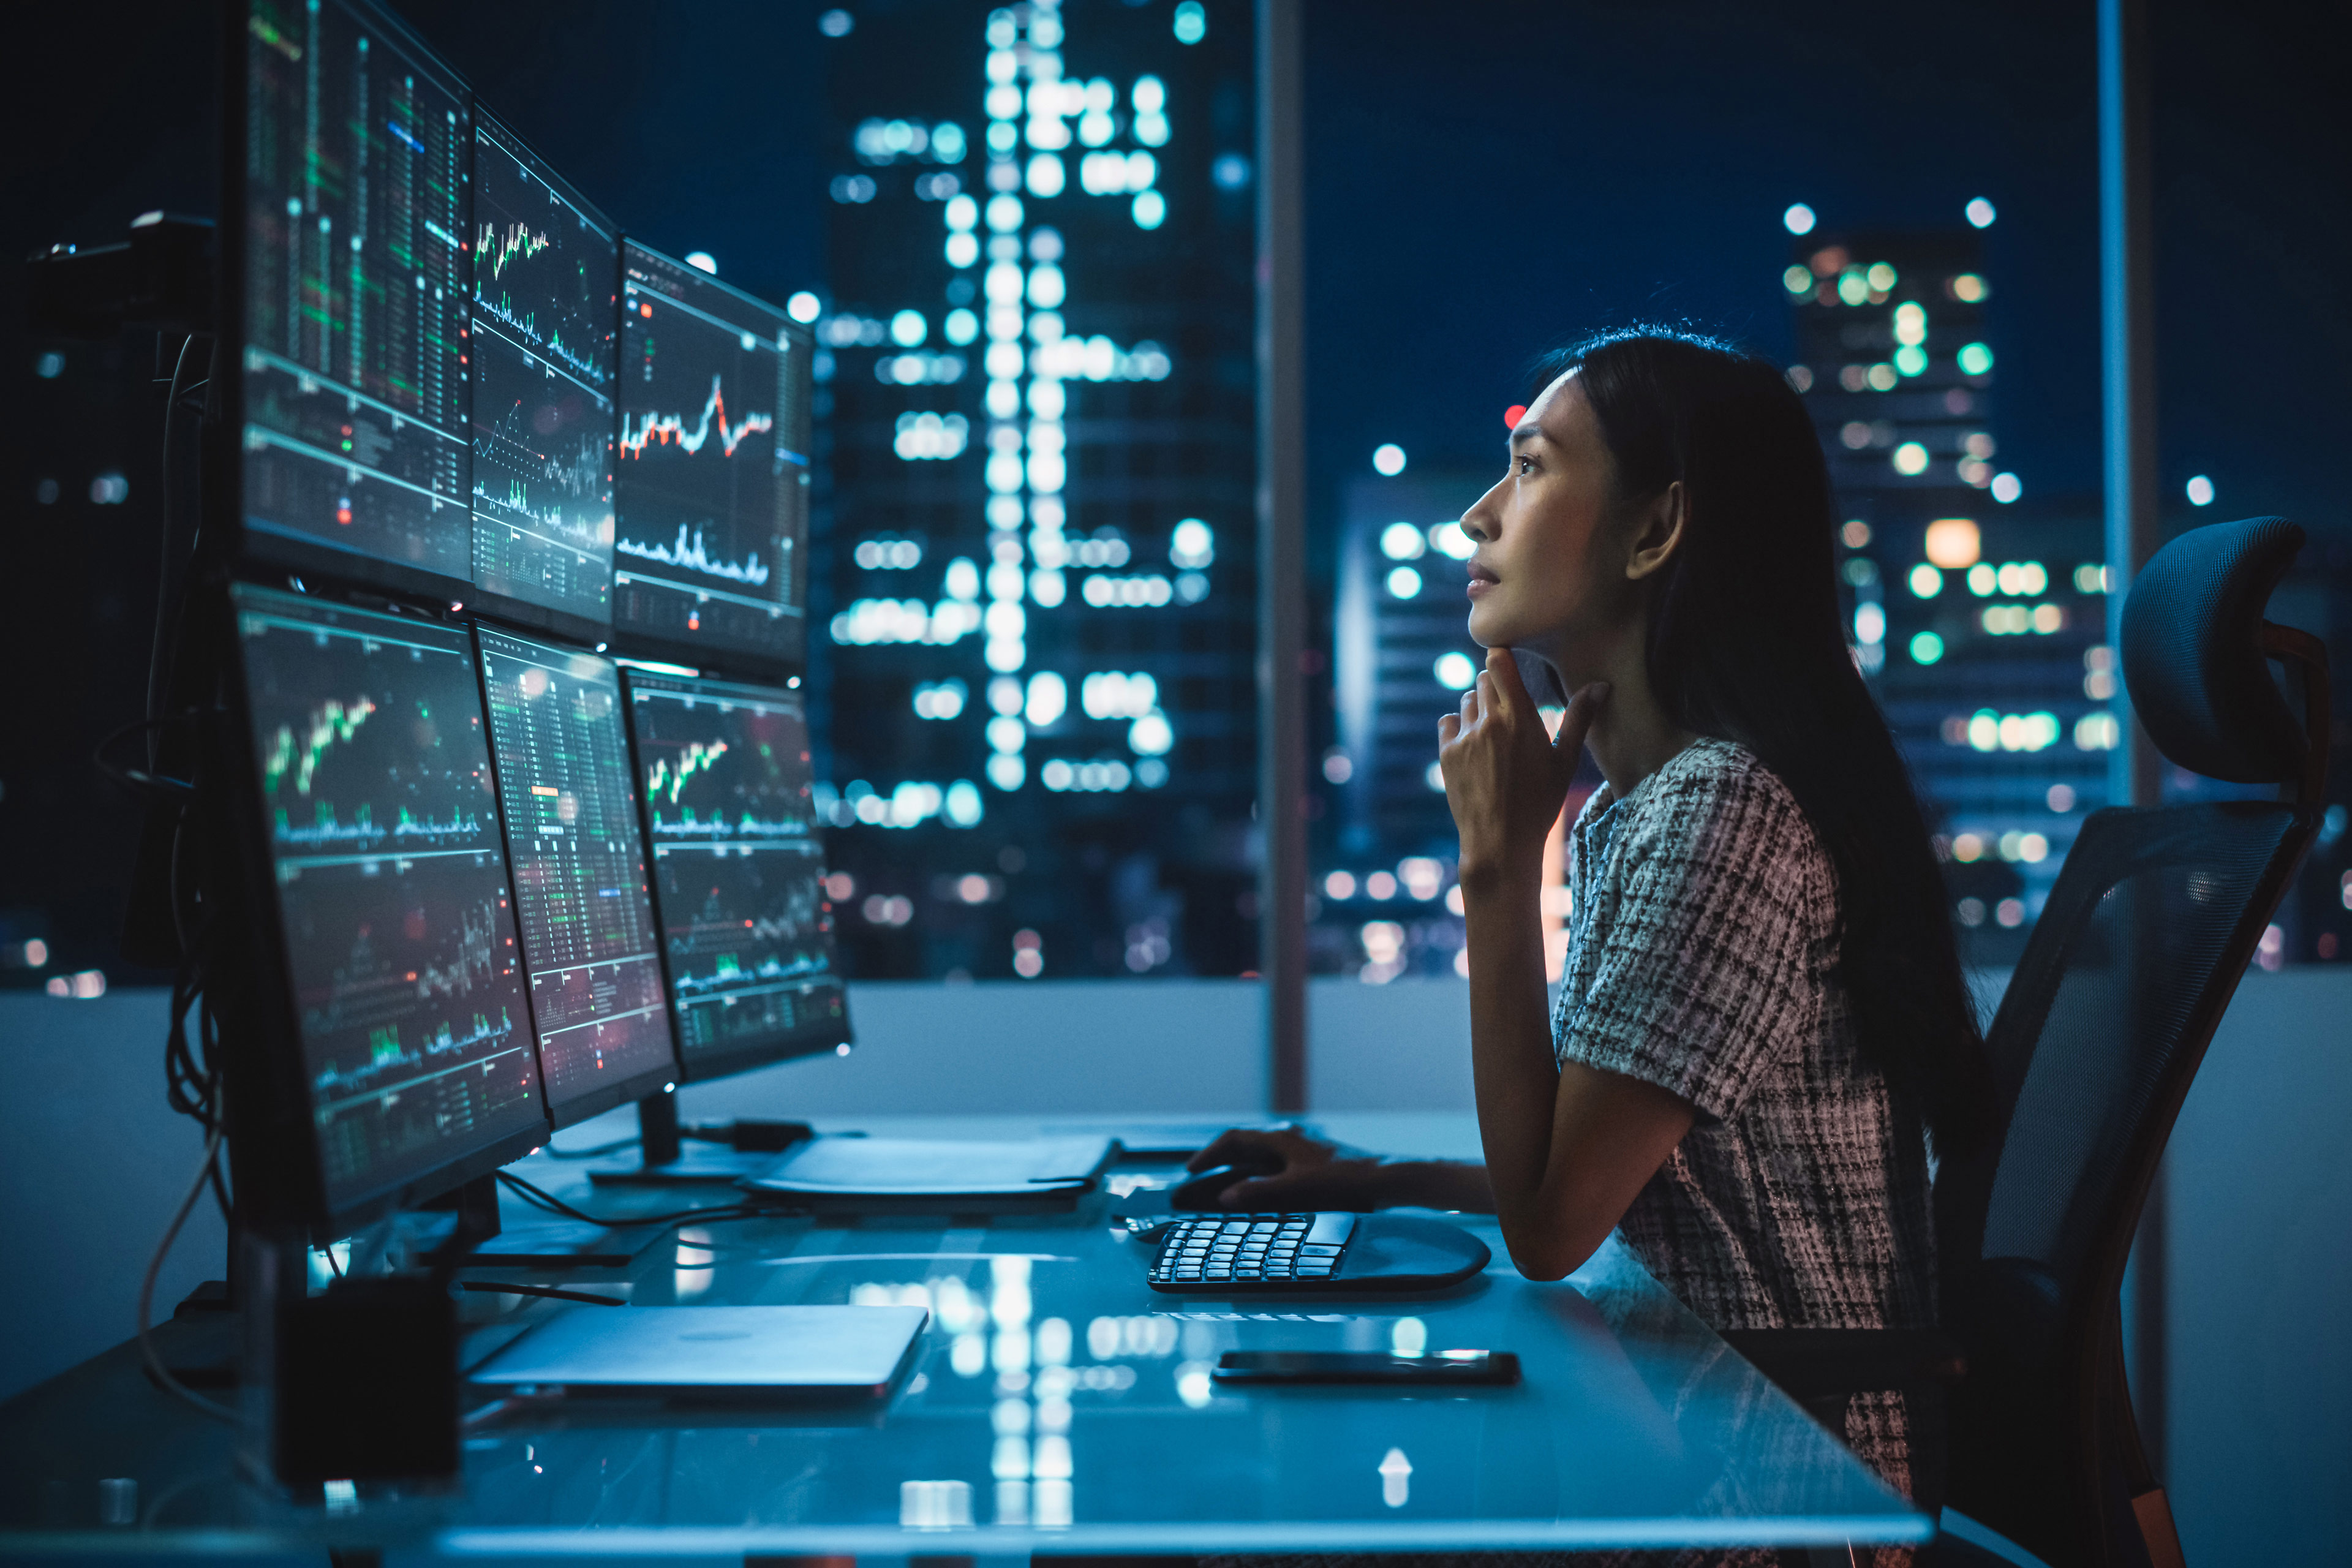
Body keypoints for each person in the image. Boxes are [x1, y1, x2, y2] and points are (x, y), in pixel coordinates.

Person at [1189, 326, 1994, 1517]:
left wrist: (1501, 867)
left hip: (1769, 1491)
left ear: (1654, 529)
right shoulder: (1651, 807)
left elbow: (1552, 1222)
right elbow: (1599, 1172)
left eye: (1530, 467)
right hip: (1685, 1420)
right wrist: (1369, 1175)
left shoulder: (1721, 810)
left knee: (1209, 1512)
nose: (1478, 514)